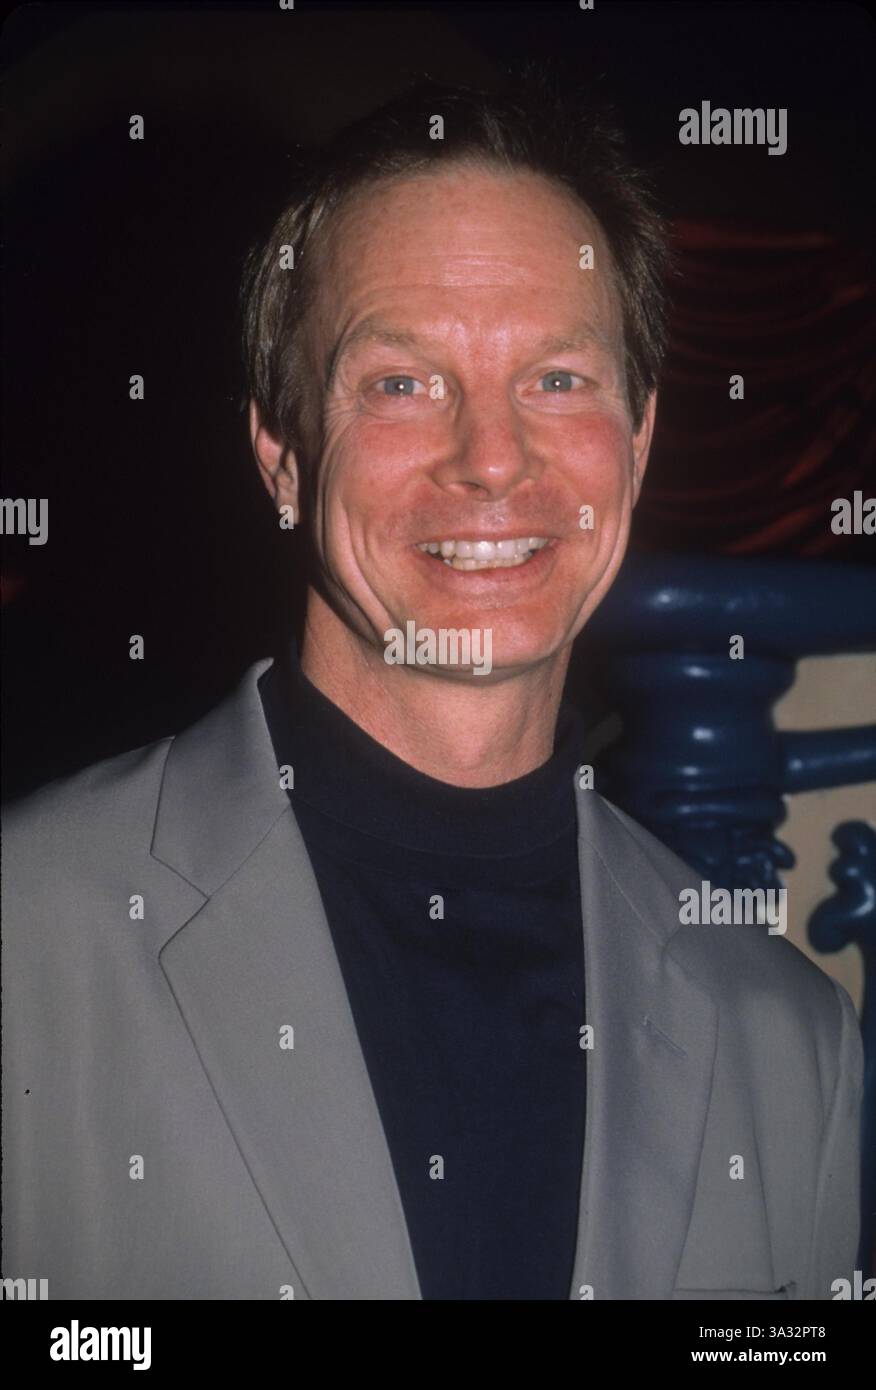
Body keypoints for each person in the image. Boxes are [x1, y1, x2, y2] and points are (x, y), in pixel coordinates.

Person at [1, 75, 863, 1301]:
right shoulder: (25, 946)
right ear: (283, 456)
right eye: (401, 382)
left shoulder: (797, 1039)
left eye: (560, 378)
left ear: (642, 438)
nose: (494, 457)